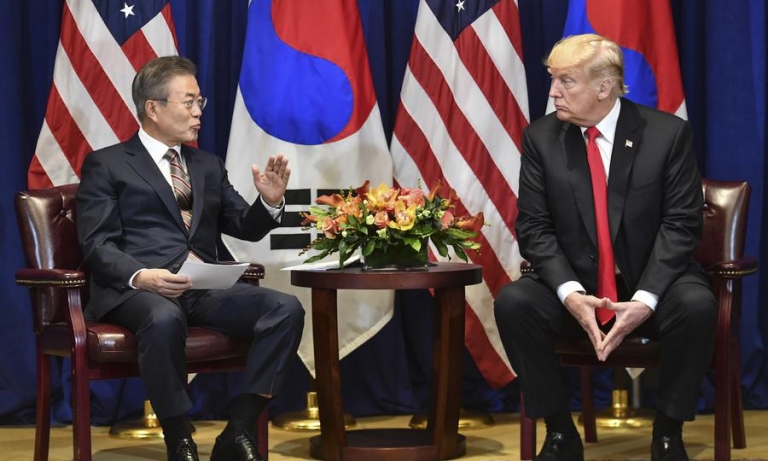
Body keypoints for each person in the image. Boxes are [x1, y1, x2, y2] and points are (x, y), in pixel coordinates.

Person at [493, 34, 717, 461]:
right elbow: (534, 227)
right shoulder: (541, 138)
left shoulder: (667, 134)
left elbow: (682, 225)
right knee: (514, 303)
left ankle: (668, 435)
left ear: (604, 87)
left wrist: (645, 299)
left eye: (566, 81)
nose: (553, 92)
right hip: (577, 282)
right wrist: (570, 294)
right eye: (552, 79)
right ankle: (560, 433)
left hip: (652, 280)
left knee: (697, 306)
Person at [76, 56, 304, 461]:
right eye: (189, 102)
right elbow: (97, 244)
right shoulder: (107, 164)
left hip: (202, 288)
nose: (199, 112)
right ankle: (179, 435)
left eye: (201, 102)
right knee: (163, 317)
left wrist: (269, 203)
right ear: (153, 108)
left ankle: (239, 427)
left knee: (285, 309)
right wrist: (142, 276)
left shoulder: (206, 164)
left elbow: (243, 225)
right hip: (139, 291)